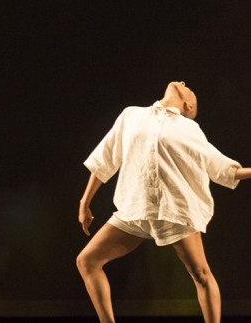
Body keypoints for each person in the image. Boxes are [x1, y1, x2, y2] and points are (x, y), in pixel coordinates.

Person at [76, 81, 251, 323]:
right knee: (87, 260)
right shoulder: (132, 115)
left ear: (188, 105)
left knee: (201, 274)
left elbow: (222, 168)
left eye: (189, 89)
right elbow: (105, 158)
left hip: (174, 211)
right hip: (136, 208)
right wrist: (85, 201)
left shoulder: (190, 129)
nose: (183, 83)